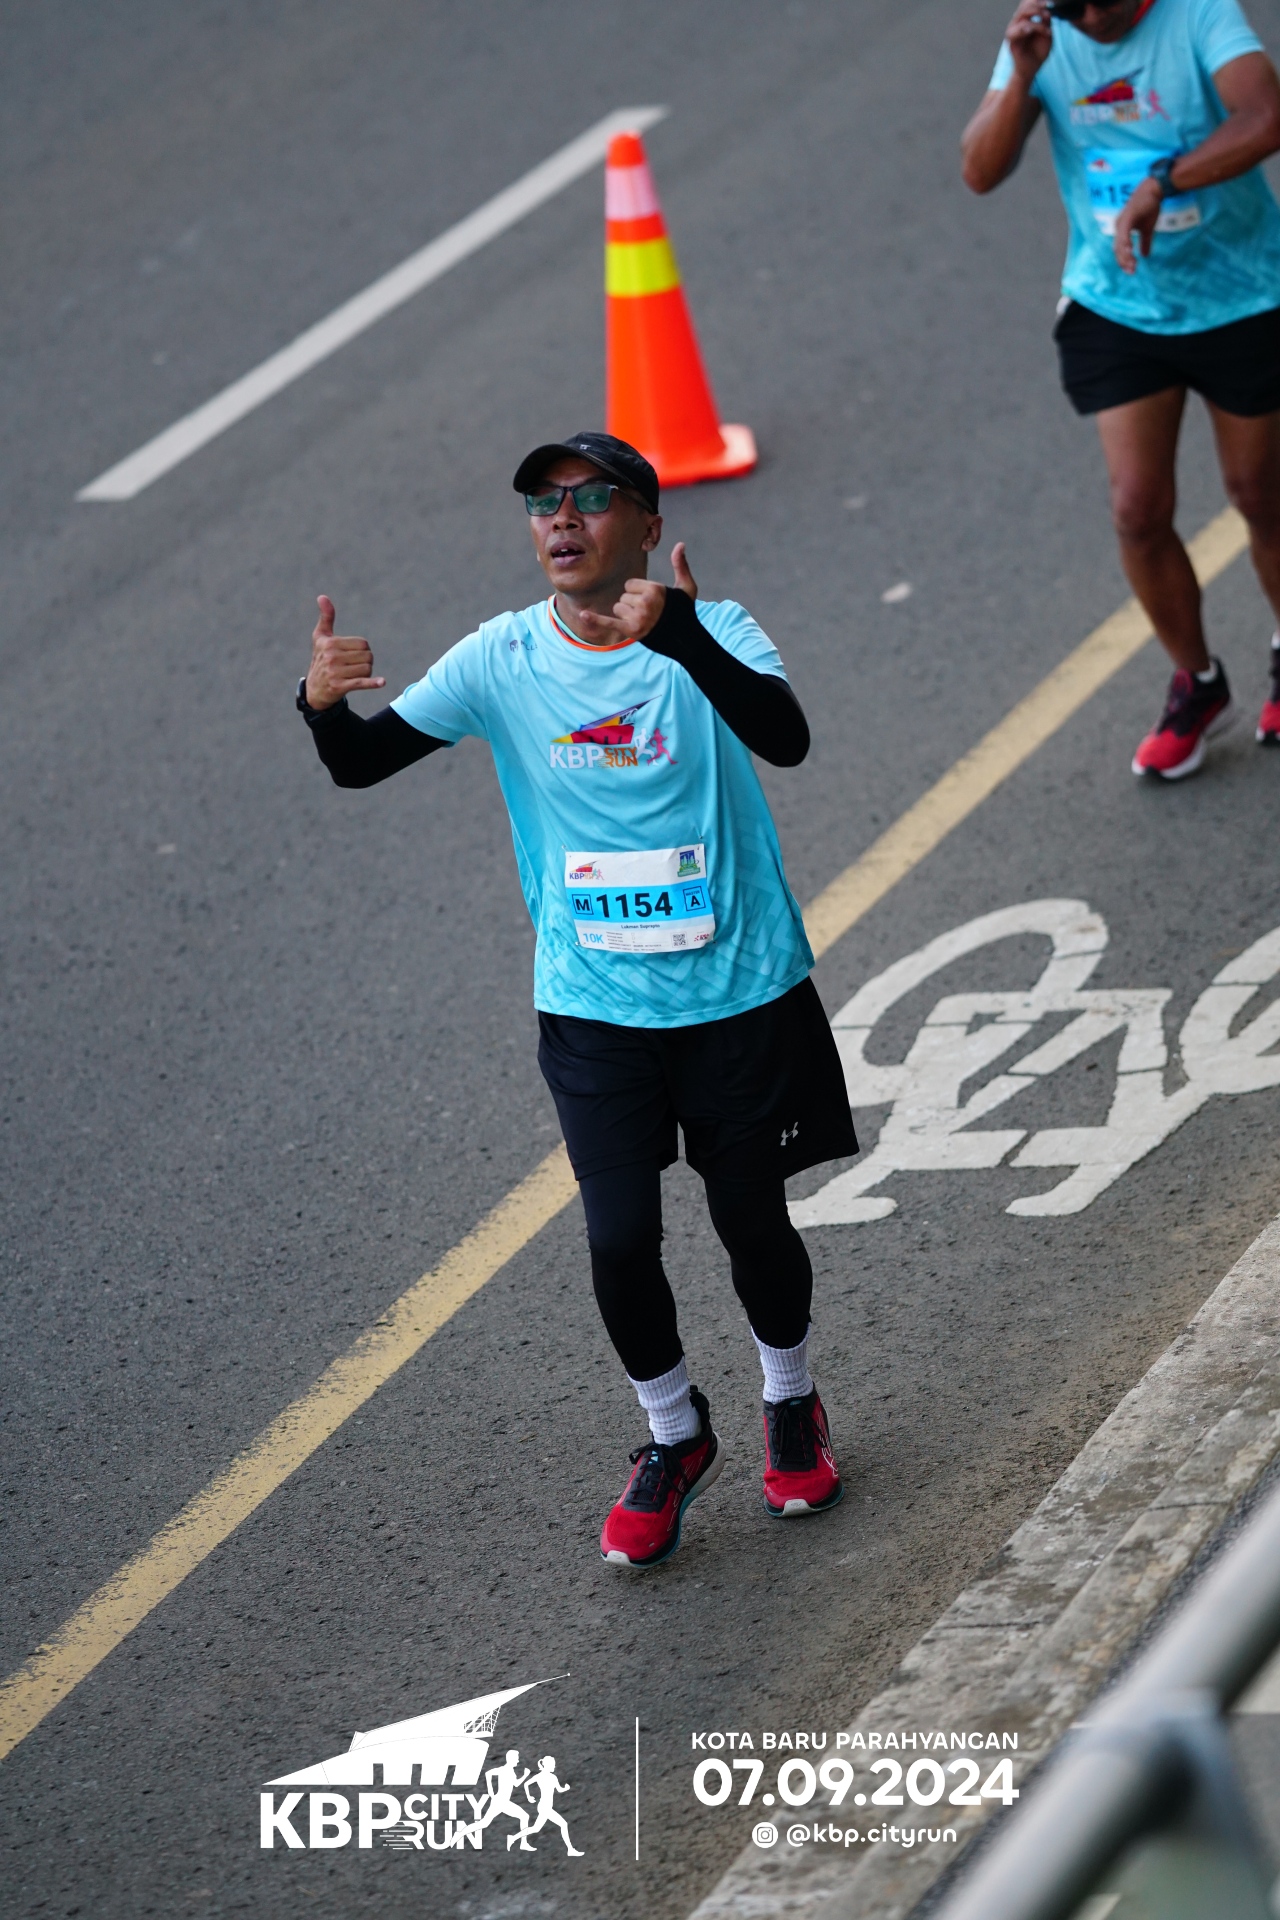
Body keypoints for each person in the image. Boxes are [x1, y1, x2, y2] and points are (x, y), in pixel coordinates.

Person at [298, 431, 856, 1569]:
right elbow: (359, 763)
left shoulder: (712, 629)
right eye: (542, 502)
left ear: (646, 526)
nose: (562, 518)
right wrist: (317, 706)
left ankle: (789, 1398)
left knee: (751, 1221)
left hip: (738, 993)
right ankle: (675, 1434)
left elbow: (787, 739)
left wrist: (682, 634)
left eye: (593, 497)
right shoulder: (502, 658)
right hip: (594, 1002)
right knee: (618, 1237)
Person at [962, 0, 1280, 777]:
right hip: (1117, 302)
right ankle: (1198, 683)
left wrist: (1163, 181)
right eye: (1075, 4)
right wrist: (1022, 78)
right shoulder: (1043, 39)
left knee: (1259, 493)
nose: (1095, 16)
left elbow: (1265, 117)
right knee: (1137, 509)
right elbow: (979, 171)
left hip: (1241, 298)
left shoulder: (1198, 15)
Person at [523, 1754, 584, 1855]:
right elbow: (526, 1784)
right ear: (547, 1765)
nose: (554, 1766)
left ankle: (513, 1838)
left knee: (536, 1828)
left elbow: (559, 1789)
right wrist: (529, 1797)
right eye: (553, 1764)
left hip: (547, 1807)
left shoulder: (553, 1777)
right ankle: (570, 1850)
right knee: (563, 1824)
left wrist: (566, 1788)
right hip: (544, 1807)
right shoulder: (540, 1776)